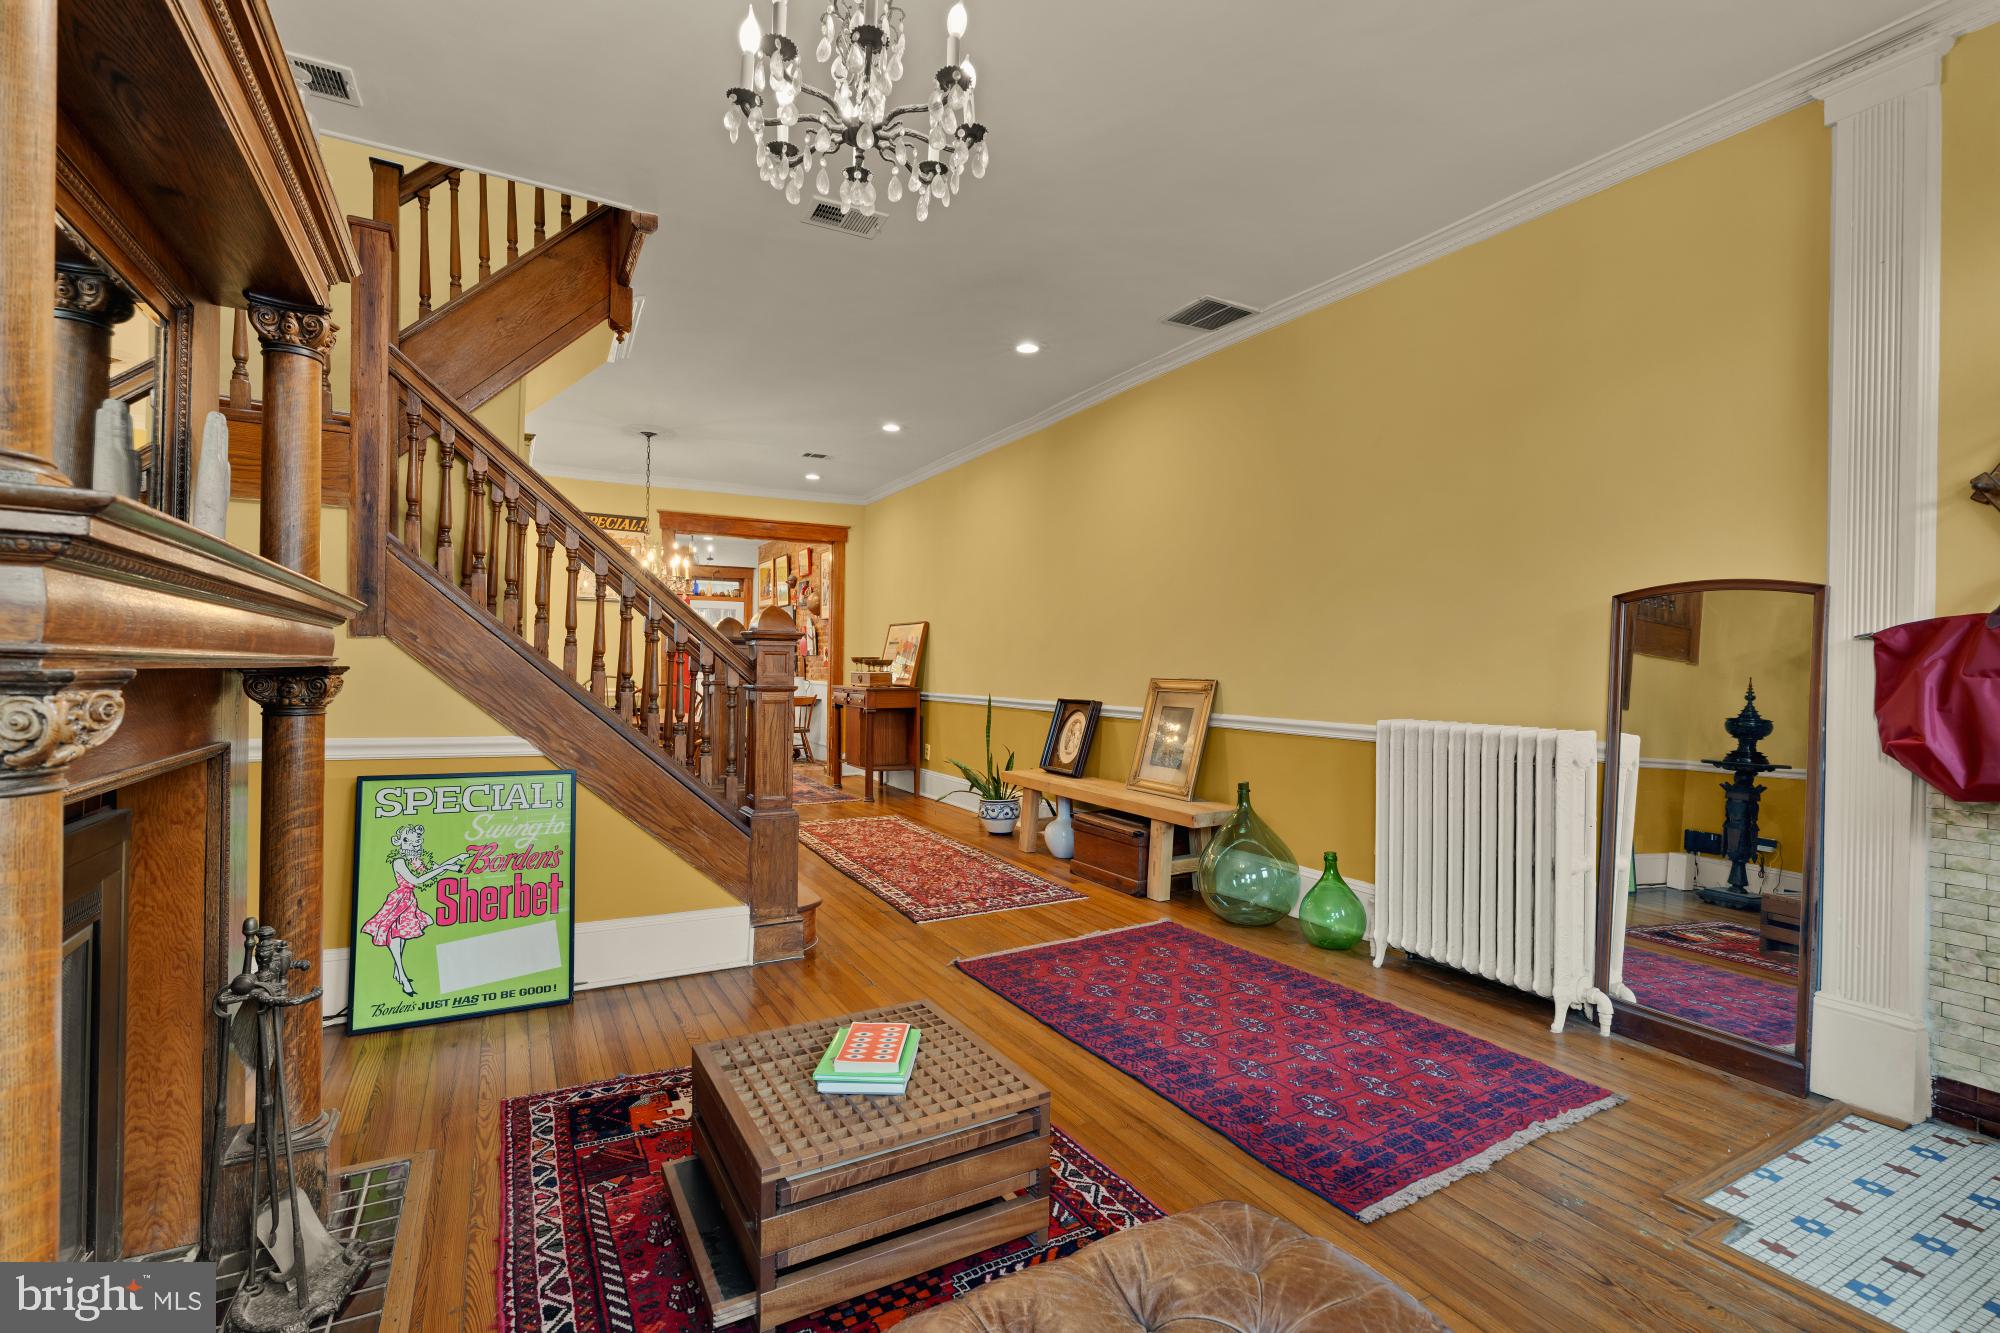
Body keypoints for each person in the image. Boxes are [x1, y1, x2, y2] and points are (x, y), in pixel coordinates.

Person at [360, 823, 471, 996]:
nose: (413, 844)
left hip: (410, 901)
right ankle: (403, 977)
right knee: (394, 935)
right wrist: (446, 867)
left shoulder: (417, 860)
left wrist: (456, 859)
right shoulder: (398, 861)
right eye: (407, 840)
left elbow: (434, 871)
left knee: (402, 935)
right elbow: (417, 881)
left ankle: (397, 973)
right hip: (398, 900)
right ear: (399, 842)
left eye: (416, 841)